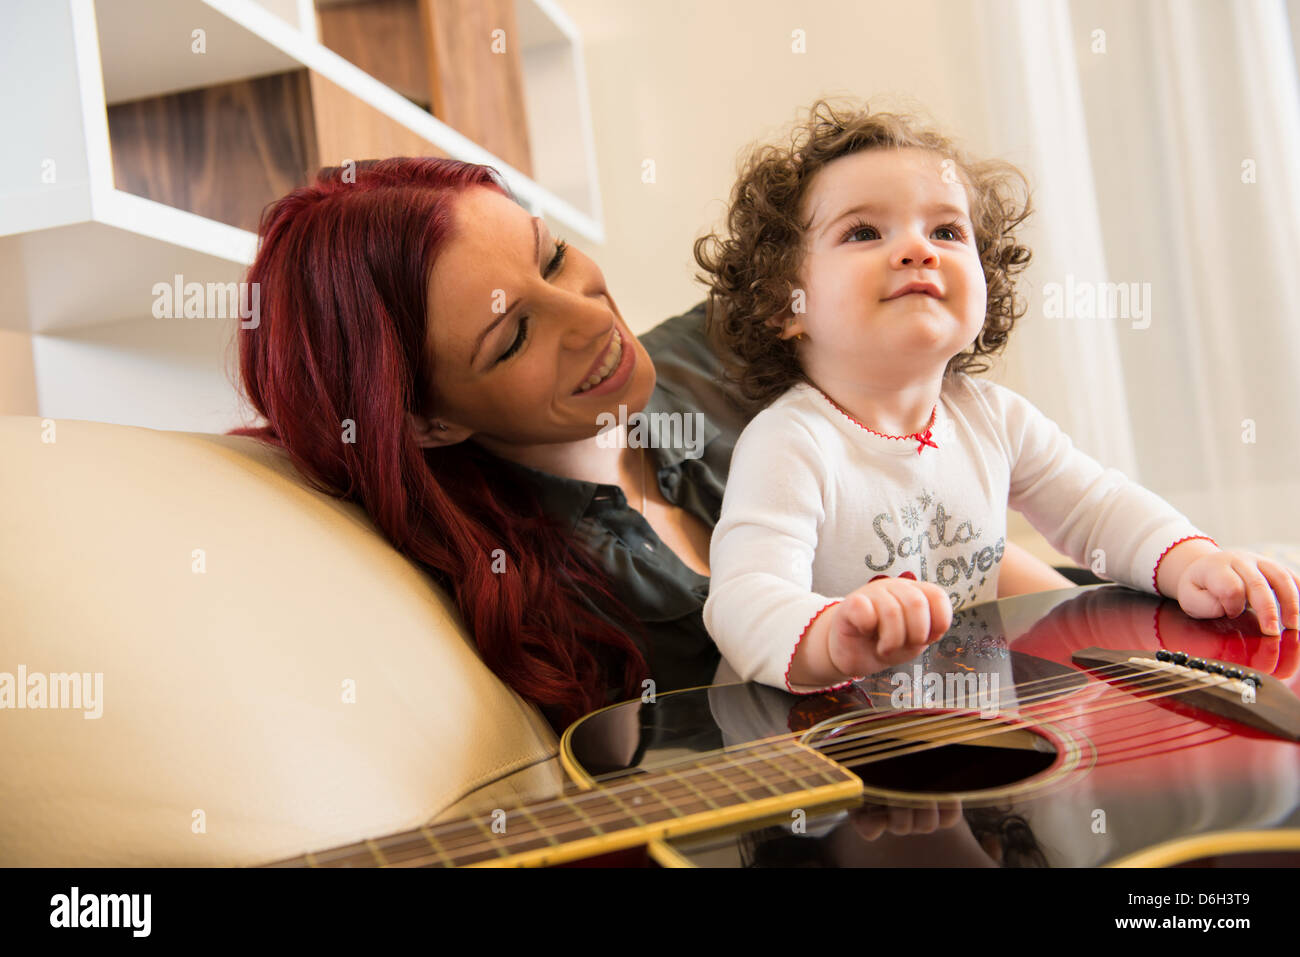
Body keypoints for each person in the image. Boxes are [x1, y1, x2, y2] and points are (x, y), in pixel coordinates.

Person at [230, 155, 1082, 735]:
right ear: (428, 422)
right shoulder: (534, 600)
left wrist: (1102, 656)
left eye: (554, 256)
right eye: (514, 334)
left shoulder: (739, 355)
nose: (589, 316)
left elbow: (952, 533)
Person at [695, 99, 1300, 695]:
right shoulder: (791, 443)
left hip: (967, 717)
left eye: (947, 230)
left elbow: (1099, 510)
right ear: (783, 303)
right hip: (825, 740)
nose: (918, 249)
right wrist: (830, 638)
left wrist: (1193, 561)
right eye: (863, 231)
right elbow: (744, 600)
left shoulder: (993, 417)